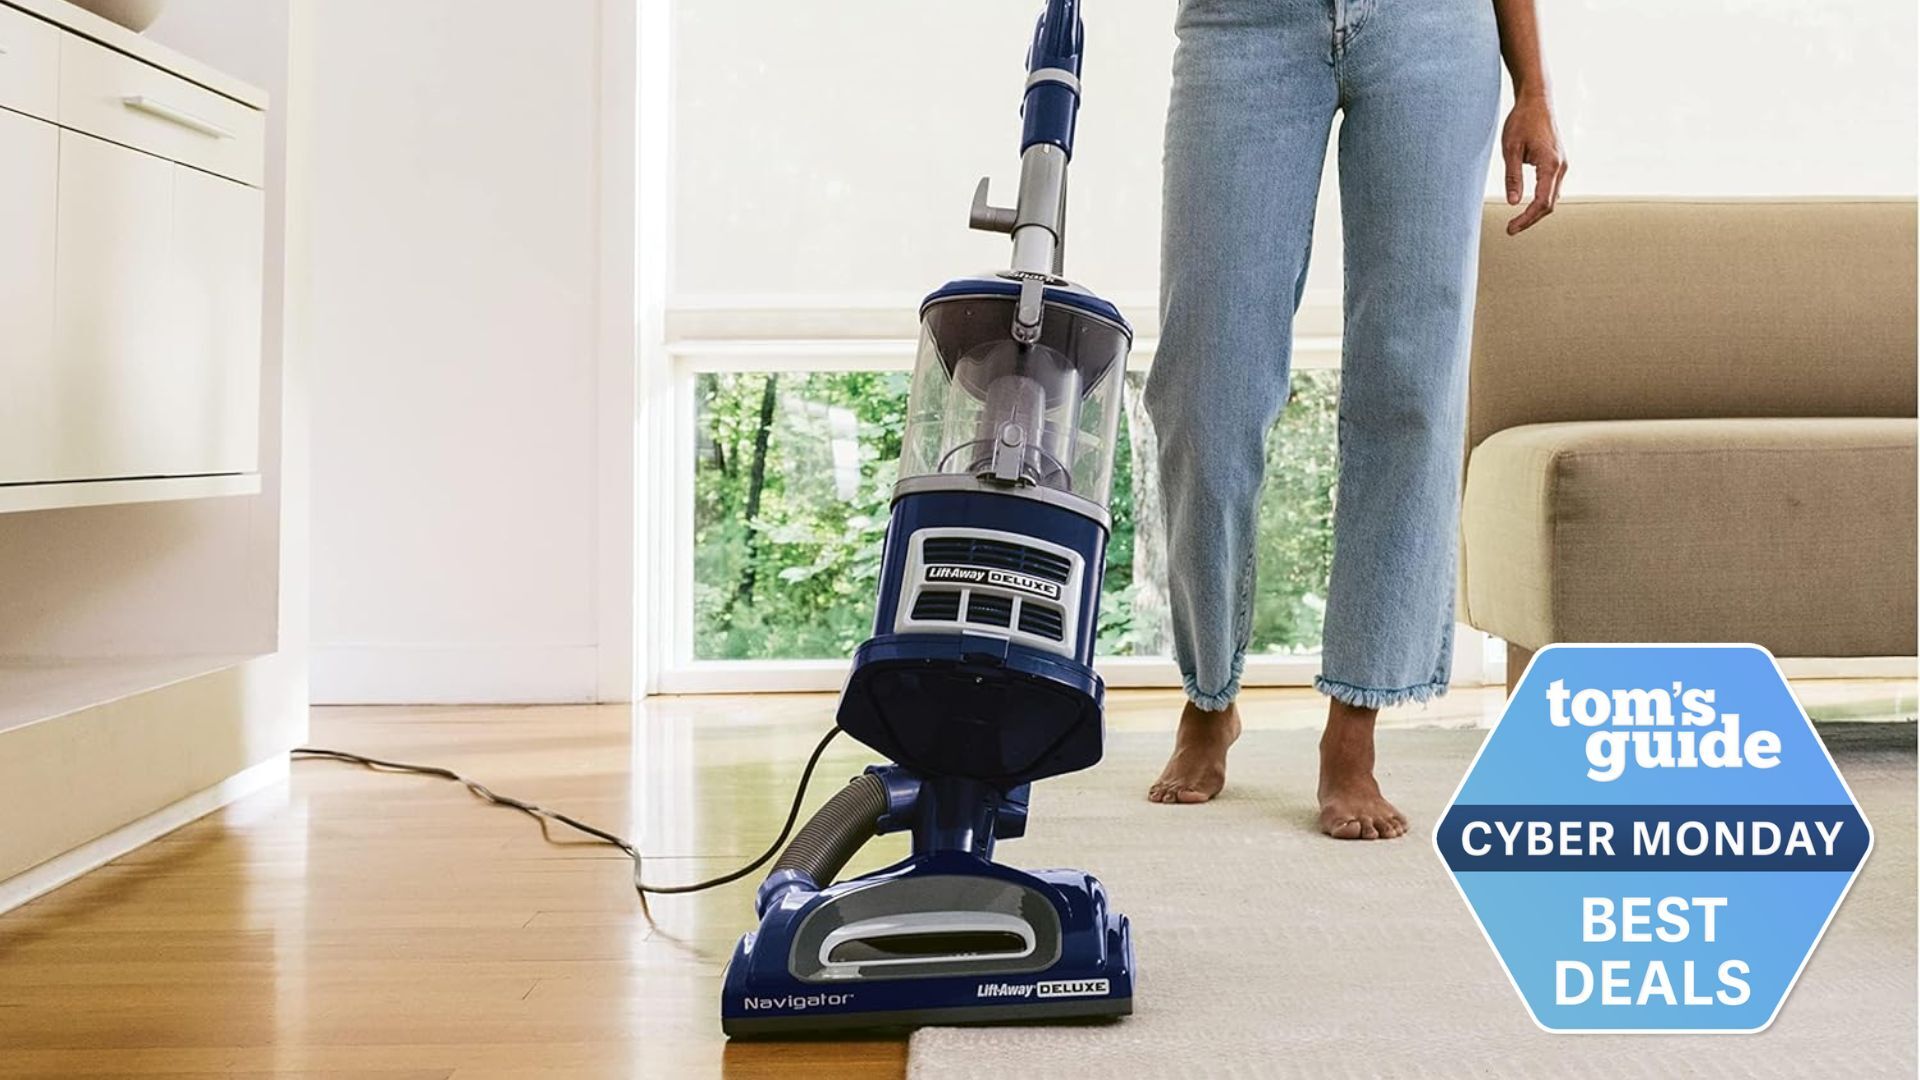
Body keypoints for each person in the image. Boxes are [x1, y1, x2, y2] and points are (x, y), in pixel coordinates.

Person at [1143, 0, 1567, 838]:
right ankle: (1208, 694)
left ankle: (1354, 733)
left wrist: (1534, 88)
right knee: (1206, 383)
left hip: (1433, 31)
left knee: (1409, 383)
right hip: (1245, 26)